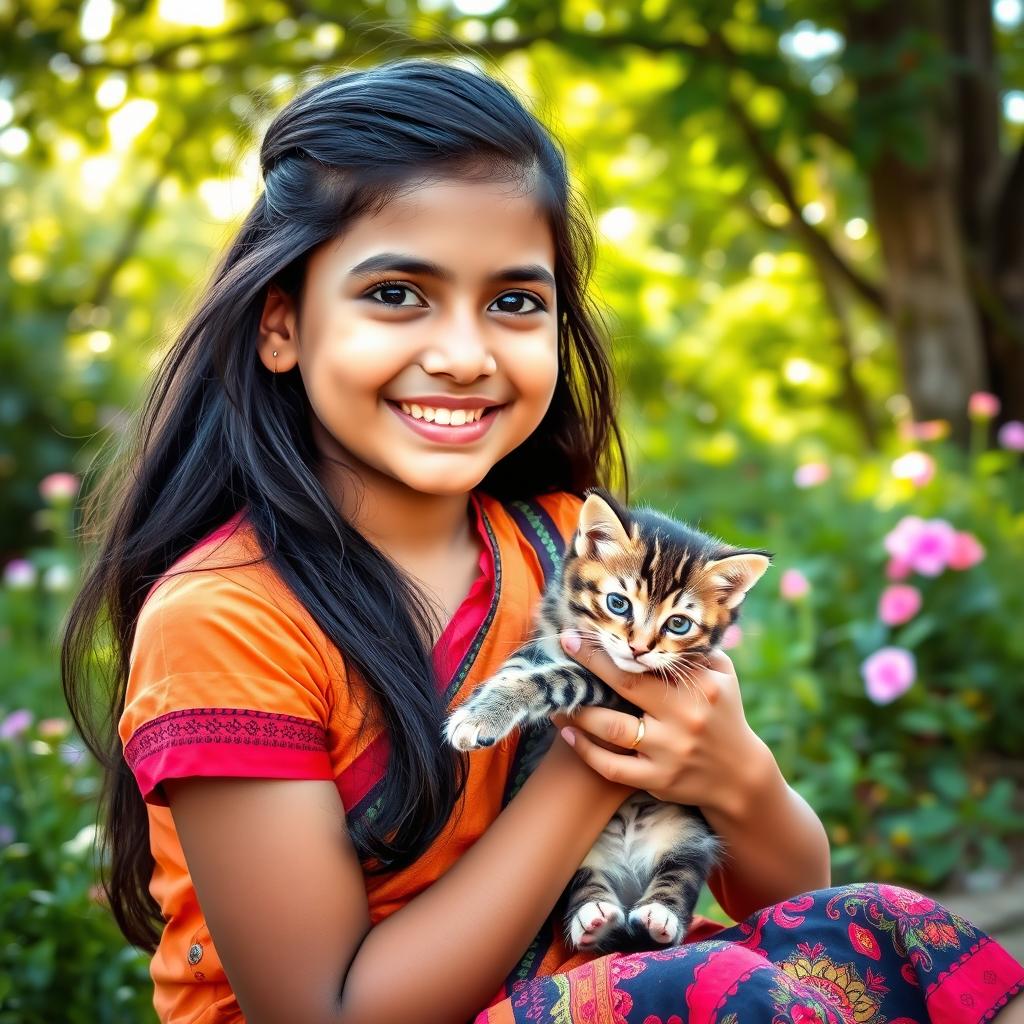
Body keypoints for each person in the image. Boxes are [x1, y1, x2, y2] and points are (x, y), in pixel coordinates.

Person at [60, 57, 1024, 1024]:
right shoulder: (229, 620)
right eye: (397, 293)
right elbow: (329, 1012)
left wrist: (734, 770)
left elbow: (789, 899)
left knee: (883, 928)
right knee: (715, 990)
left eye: (514, 302)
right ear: (282, 322)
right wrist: (586, 762)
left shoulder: (571, 545)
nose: (465, 355)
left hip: (614, 976)